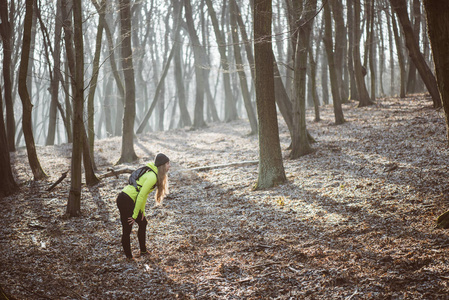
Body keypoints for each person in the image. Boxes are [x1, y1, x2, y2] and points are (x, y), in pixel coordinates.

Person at [116, 153, 170, 259]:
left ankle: (143, 251)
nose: (169, 166)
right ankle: (129, 257)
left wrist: (142, 213)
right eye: (168, 164)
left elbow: (143, 195)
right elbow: (140, 196)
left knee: (143, 222)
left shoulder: (155, 174)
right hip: (126, 199)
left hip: (130, 199)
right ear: (162, 165)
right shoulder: (152, 177)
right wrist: (135, 215)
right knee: (127, 228)